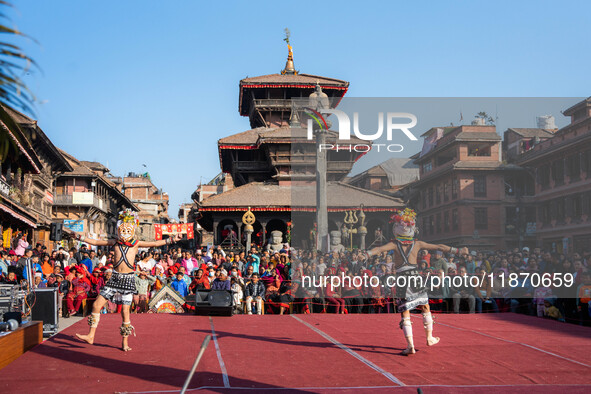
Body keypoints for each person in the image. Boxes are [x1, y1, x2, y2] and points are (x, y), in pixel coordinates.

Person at [365, 208, 468, 356]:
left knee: (405, 312)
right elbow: (439, 247)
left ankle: (410, 345)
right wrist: (457, 251)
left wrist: (367, 253)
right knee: (425, 307)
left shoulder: (394, 245)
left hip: (402, 278)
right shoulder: (417, 244)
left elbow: (379, 249)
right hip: (414, 276)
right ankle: (429, 337)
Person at [75, 209, 181, 351]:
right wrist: (78, 237)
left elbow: (155, 244)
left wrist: (172, 239)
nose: (124, 234)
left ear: (132, 231)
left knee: (125, 311)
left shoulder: (136, 244)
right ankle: (91, 335)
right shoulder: (115, 242)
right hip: (114, 278)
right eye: (122, 231)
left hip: (127, 280)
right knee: (96, 305)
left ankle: (125, 342)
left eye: (127, 231)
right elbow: (94, 241)